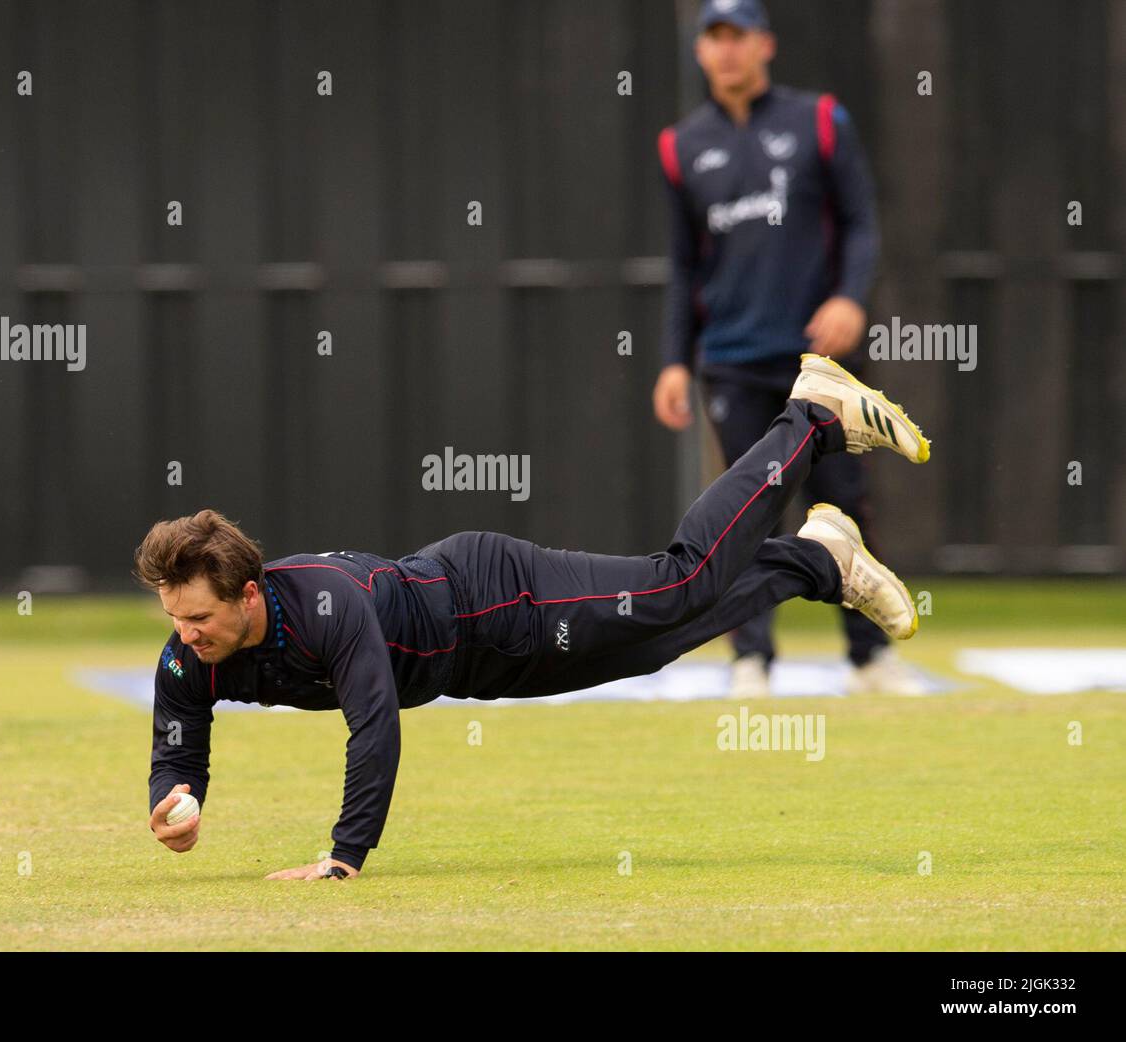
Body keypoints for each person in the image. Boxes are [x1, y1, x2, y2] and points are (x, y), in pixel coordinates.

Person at [139, 355, 929, 879]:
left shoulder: (322, 607)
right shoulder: (187, 658)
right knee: (658, 643)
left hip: (495, 593)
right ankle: (819, 560)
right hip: (480, 668)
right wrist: (177, 798)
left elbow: (374, 723)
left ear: (248, 594)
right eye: (176, 618)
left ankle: (812, 416)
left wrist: (344, 857)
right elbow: (180, 734)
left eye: (199, 618)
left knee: (675, 586)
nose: (186, 635)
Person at [651, 0, 923, 697]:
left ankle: (869, 657)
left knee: (842, 504)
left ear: (765, 44)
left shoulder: (820, 122)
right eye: (714, 38)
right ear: (700, 51)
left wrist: (849, 299)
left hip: (819, 364)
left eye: (738, 36)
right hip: (730, 363)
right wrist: (674, 361)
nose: (727, 50)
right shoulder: (681, 147)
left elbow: (862, 221)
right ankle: (751, 660)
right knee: (744, 513)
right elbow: (684, 266)